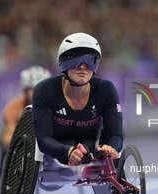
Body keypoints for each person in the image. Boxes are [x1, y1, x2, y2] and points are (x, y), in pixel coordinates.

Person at [32, 32, 123, 174]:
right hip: (56, 151)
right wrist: (67, 151)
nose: (82, 67)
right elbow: (43, 140)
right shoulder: (44, 90)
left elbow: (116, 135)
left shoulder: (106, 89)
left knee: (101, 149)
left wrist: (111, 148)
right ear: (63, 63)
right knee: (68, 145)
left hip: (89, 147)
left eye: (89, 61)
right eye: (76, 60)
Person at [0, 66, 51, 179]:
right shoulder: (12, 107)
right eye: (32, 88)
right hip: (23, 146)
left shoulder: (54, 105)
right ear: (24, 90)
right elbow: (8, 138)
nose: (37, 91)